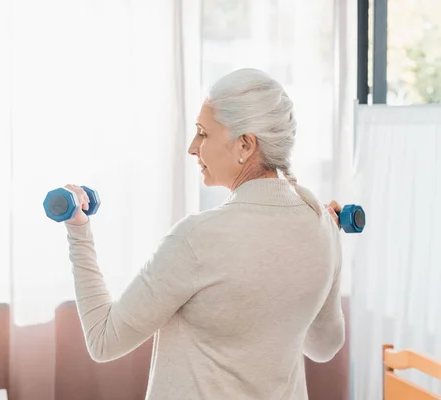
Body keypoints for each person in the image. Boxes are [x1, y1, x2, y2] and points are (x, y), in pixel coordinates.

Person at [62, 68, 345, 399]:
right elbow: (323, 346)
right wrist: (324, 252)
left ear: (245, 144)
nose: (193, 148)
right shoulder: (322, 226)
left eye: (203, 133)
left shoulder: (198, 238)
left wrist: (78, 231)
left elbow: (104, 339)